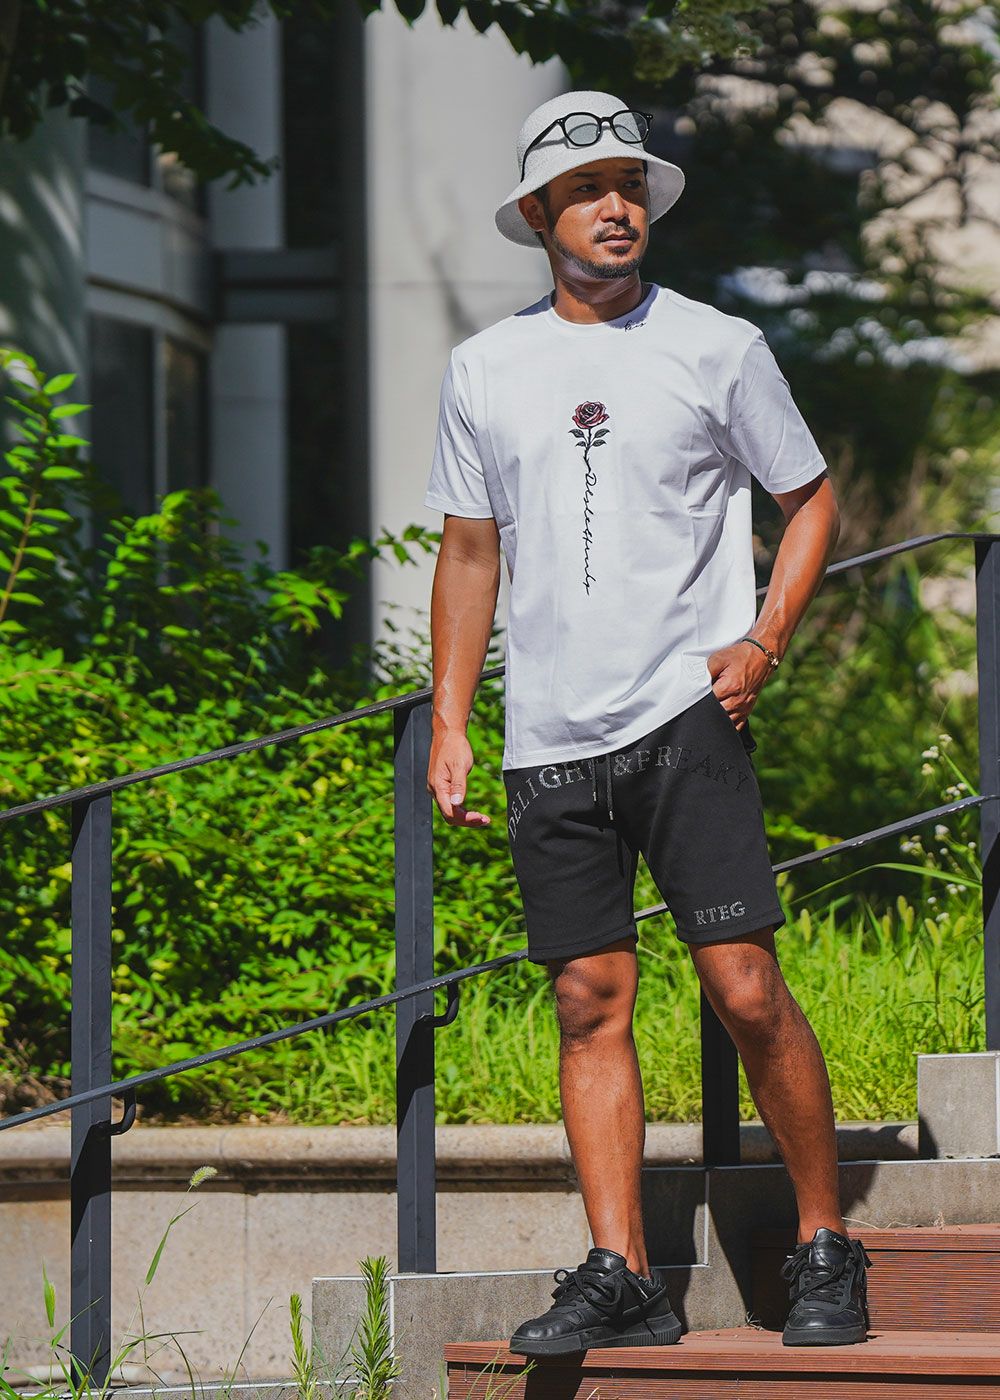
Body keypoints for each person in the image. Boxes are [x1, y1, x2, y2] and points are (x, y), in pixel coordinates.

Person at [422, 88, 871, 1356]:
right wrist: (451, 718)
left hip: (684, 712)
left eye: (628, 186)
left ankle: (825, 1239)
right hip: (548, 735)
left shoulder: (716, 345)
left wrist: (762, 638)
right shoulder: (484, 367)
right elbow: (469, 550)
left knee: (743, 984)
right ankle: (622, 1269)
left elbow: (810, 499)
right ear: (539, 215)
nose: (614, 207)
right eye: (585, 191)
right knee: (587, 998)